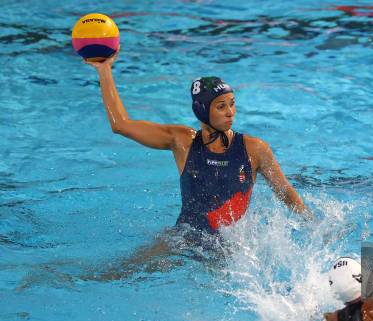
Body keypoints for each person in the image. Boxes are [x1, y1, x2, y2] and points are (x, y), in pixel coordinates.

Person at [85, 47, 308, 235]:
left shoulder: (254, 149)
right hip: (183, 239)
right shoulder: (183, 142)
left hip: (231, 248)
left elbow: (285, 192)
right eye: (221, 106)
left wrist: (314, 225)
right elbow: (120, 124)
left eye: (232, 103)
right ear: (202, 110)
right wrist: (105, 70)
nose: (230, 112)